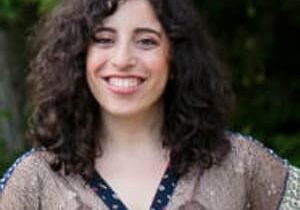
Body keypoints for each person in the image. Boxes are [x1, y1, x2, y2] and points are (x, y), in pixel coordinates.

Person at [0, 0, 299, 209]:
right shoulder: (35, 180)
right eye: (104, 39)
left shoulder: (240, 165)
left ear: (177, 55)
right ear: (79, 55)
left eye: (146, 41)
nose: (122, 60)